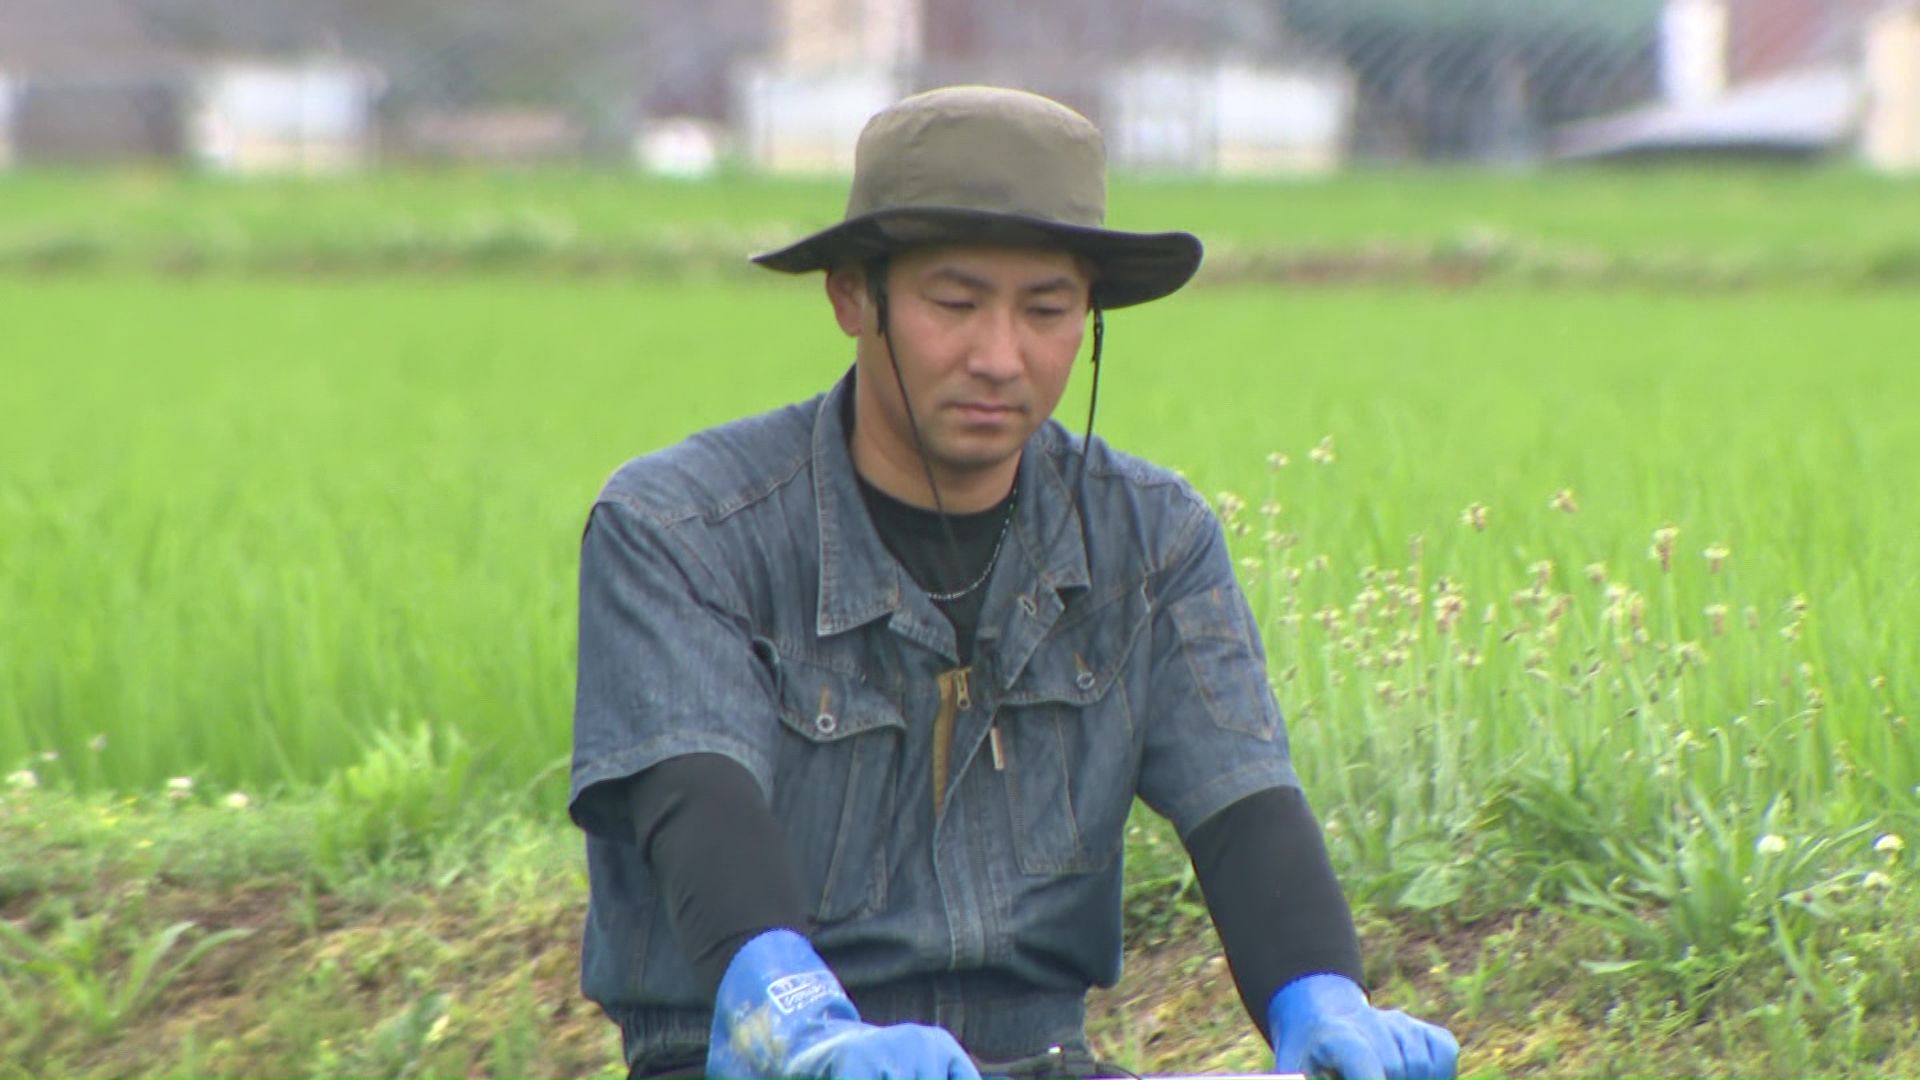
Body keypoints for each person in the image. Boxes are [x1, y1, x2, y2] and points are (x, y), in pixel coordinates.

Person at [569, 85, 1460, 1080]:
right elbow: (699, 807)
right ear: (855, 296)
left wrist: (1322, 995)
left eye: (1047, 309)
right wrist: (803, 1027)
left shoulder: (1153, 539)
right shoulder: (678, 529)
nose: (1001, 357)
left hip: (1038, 1055)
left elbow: (1244, 807)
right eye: (956, 304)